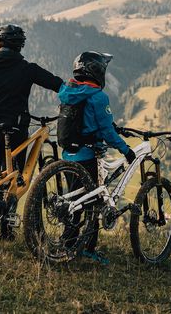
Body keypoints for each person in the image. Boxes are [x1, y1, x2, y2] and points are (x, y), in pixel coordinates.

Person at [0, 24, 63, 238]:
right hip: (14, 130)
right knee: (14, 178)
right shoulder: (27, 69)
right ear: (20, 47)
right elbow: (57, 84)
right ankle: (6, 230)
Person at [59, 51, 136, 264]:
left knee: (75, 200)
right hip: (86, 156)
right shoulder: (98, 97)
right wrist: (126, 150)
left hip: (68, 155)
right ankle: (87, 249)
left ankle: (67, 242)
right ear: (97, 71)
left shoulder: (69, 91)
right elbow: (106, 132)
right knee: (92, 203)